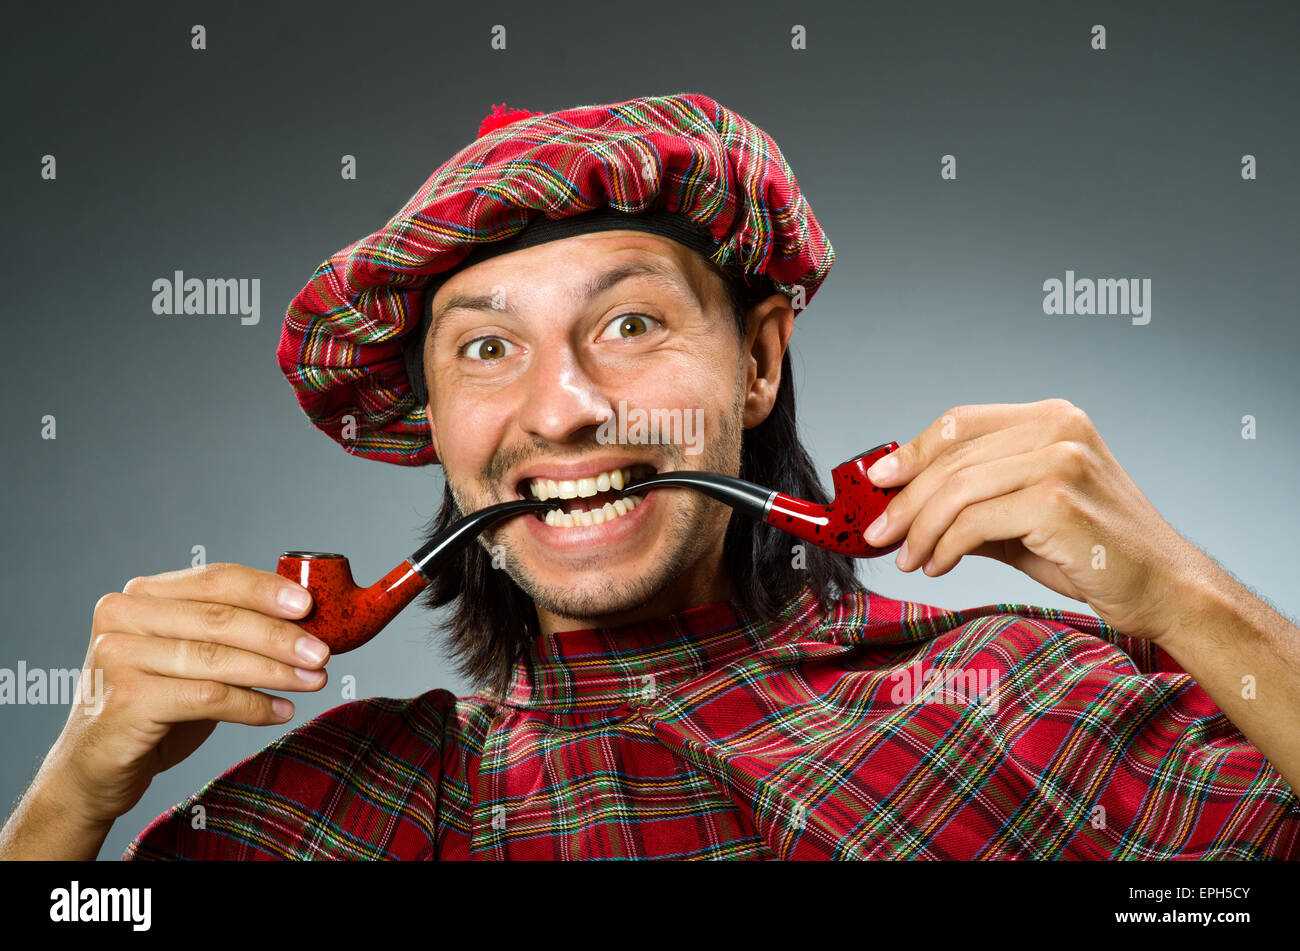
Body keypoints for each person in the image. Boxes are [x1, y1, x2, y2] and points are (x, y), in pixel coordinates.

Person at [3, 94, 1297, 861]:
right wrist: (74, 798)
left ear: (757, 362)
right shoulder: (334, 809)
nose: (562, 411)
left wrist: (1187, 596)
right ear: (439, 420)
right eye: (489, 350)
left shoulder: (1035, 703)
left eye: (629, 325)